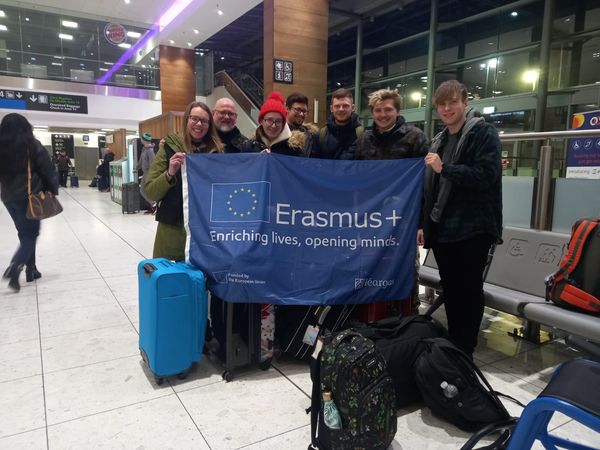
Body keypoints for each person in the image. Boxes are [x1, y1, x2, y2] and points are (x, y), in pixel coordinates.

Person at [420, 80, 502, 356]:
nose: (446, 108)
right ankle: (455, 341)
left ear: (465, 102)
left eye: (452, 102)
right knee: (452, 289)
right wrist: (425, 223)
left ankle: (465, 346)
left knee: (469, 289)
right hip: (444, 228)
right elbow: (429, 189)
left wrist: (445, 169)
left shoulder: (483, 133)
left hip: (473, 227)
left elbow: (486, 175)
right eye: (441, 104)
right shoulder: (439, 139)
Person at [145, 101, 223, 261]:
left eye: (205, 121)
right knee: (172, 279)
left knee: (202, 281)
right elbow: (151, 191)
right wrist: (169, 173)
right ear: (186, 119)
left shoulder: (217, 152)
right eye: (194, 119)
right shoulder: (169, 147)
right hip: (173, 229)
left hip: (206, 230)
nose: (199, 124)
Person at [0, 113, 58, 292]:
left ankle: (31, 270)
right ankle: (15, 266)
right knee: (31, 234)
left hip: (9, 197)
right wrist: (52, 190)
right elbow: (47, 170)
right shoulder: (32, 145)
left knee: (25, 232)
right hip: (30, 196)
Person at [343, 88, 429, 160]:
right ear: (372, 114)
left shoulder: (415, 137)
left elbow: (425, 169)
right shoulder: (364, 139)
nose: (383, 115)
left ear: (398, 111)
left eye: (388, 110)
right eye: (378, 110)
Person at [242, 92, 311, 156]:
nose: (274, 125)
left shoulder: (294, 149)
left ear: (283, 123)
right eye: (269, 120)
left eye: (278, 121)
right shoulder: (249, 147)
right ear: (262, 121)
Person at [314, 88, 364, 159]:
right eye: (337, 106)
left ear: (353, 108)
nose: (341, 109)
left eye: (345, 106)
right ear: (331, 109)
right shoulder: (321, 136)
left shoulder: (362, 135)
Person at [138, 132, 156, 214]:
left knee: (143, 190)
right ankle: (153, 205)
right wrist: (137, 168)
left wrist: (151, 174)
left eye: (142, 138)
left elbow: (153, 163)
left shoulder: (150, 151)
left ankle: (154, 204)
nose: (140, 139)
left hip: (149, 173)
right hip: (145, 172)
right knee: (143, 190)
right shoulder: (144, 149)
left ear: (144, 140)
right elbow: (141, 160)